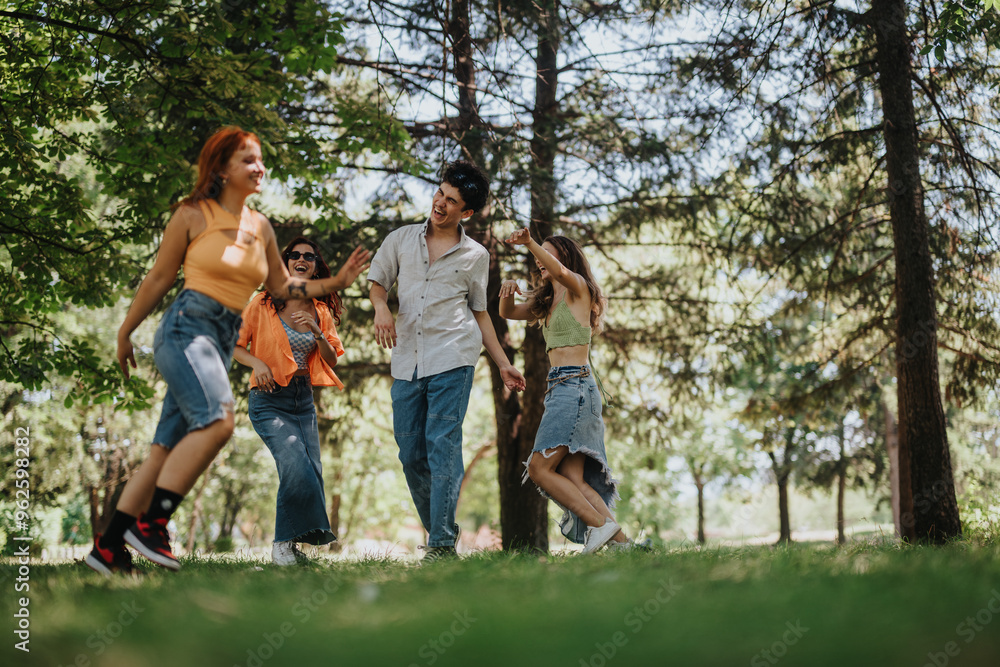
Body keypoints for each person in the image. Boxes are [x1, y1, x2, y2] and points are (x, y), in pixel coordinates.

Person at [85, 127, 370, 575]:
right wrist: (126, 331)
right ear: (220, 168)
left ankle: (108, 548)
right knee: (218, 420)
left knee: (163, 448)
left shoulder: (260, 227)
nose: (259, 167)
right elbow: (160, 278)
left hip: (217, 342)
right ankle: (153, 523)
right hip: (186, 328)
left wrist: (335, 283)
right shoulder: (192, 214)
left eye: (260, 160)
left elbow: (281, 286)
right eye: (247, 160)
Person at [368, 160, 525, 563]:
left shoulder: (475, 256)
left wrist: (503, 363)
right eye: (440, 193)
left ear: (466, 212)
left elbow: (480, 312)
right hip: (407, 360)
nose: (440, 203)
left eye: (451, 201)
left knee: (443, 446)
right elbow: (378, 282)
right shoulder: (402, 239)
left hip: (454, 356)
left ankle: (439, 545)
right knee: (410, 453)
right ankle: (443, 531)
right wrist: (381, 308)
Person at [499, 229, 637, 553]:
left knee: (538, 467)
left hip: (574, 388)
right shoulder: (546, 301)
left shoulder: (579, 289)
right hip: (562, 391)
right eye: (537, 255)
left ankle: (600, 527)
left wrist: (529, 242)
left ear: (564, 256)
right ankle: (623, 546)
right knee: (575, 481)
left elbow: (560, 272)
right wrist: (506, 291)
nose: (538, 260)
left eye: (545, 253)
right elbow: (507, 312)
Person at [233, 237, 345, 566]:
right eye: (294, 255)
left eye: (309, 256)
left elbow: (332, 359)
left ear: (315, 267)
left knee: (309, 470)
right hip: (268, 400)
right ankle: (282, 545)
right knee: (295, 463)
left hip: (302, 399)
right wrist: (258, 363)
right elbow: (235, 345)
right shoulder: (263, 303)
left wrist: (318, 333)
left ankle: (293, 545)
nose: (301, 259)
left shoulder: (320, 310)